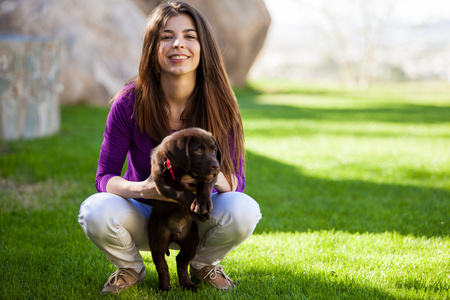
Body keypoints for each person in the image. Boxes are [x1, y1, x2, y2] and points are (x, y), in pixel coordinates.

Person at [77, 1, 262, 295]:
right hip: (145, 214)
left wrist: (207, 181)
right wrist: (146, 189)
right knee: (94, 211)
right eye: (167, 36)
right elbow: (104, 177)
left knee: (244, 210)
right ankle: (130, 269)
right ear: (153, 46)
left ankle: (202, 265)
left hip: (198, 214)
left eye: (190, 36)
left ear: (203, 47)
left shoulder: (222, 104)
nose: (179, 44)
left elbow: (237, 181)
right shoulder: (129, 101)